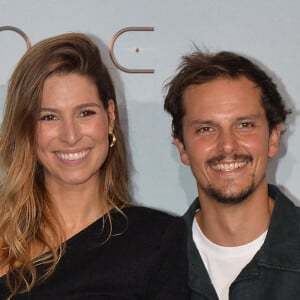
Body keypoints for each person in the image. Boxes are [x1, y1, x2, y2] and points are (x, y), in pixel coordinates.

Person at [0, 32, 189, 300]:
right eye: (49, 117)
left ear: (110, 116)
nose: (71, 135)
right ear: (27, 129)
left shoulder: (156, 239)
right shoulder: (5, 234)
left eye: (85, 113)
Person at [164, 50, 300, 299]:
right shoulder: (150, 266)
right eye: (206, 129)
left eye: (245, 125)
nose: (227, 146)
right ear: (182, 146)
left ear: (273, 137)